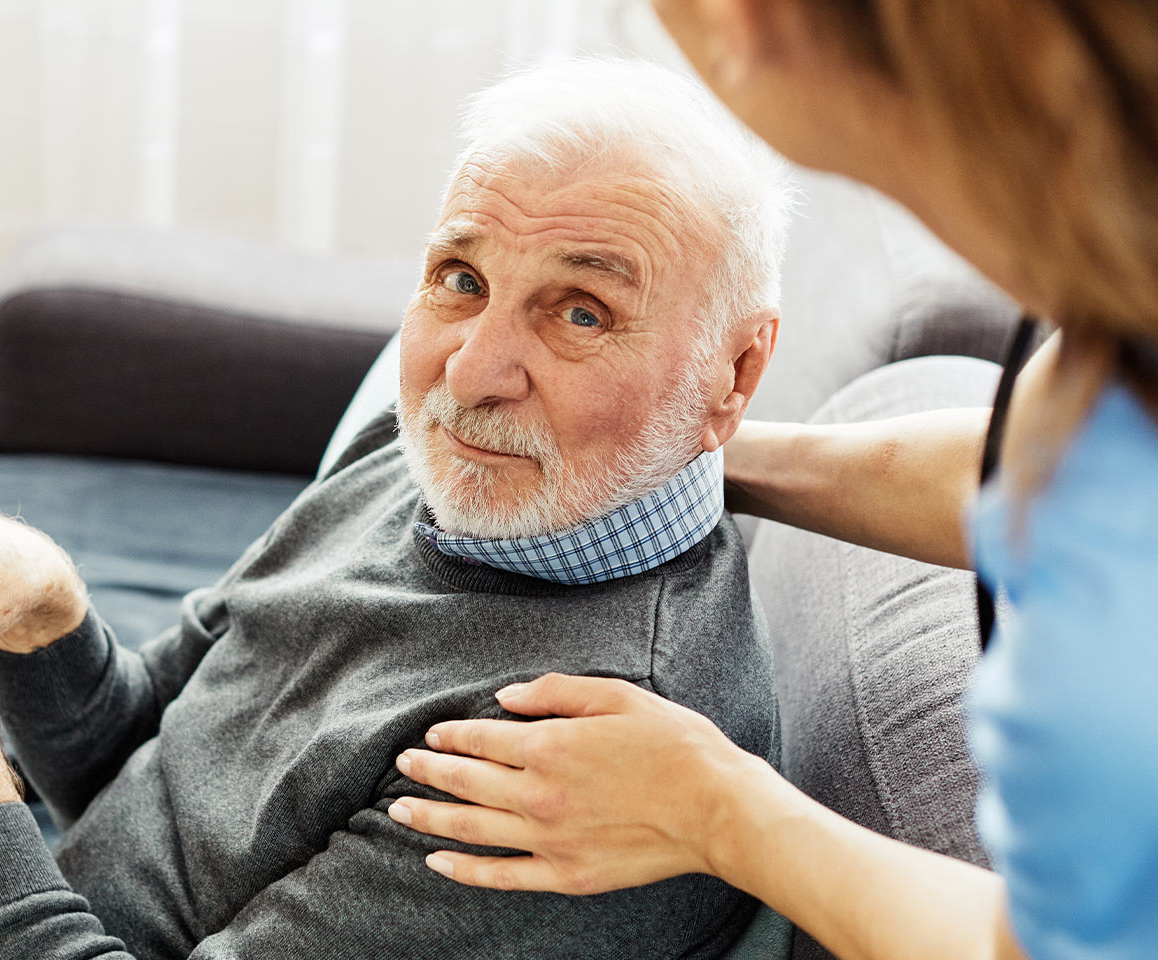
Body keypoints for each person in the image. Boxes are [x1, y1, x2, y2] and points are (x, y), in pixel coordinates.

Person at [0, 59, 799, 959]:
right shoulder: (440, 459)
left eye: (580, 310)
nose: (472, 372)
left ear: (733, 375)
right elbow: (141, 757)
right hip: (16, 902)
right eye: (461, 277)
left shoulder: (576, 759)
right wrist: (39, 604)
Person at [390, 3, 1158, 960]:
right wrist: (674, 445)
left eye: (582, 314)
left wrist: (720, 810)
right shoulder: (1116, 319)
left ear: (749, 24)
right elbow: (1062, 472)